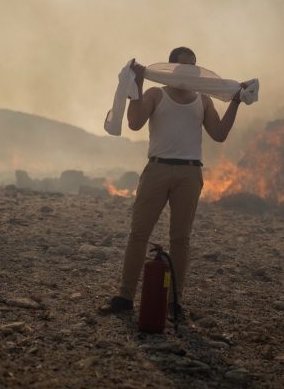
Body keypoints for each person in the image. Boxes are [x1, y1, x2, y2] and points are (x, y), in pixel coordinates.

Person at [98, 47, 245, 319]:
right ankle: (125, 297)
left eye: (192, 65)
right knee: (138, 235)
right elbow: (133, 123)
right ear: (171, 68)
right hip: (157, 169)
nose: (187, 70)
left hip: (190, 173)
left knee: (180, 240)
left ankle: (173, 303)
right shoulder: (156, 94)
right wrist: (139, 84)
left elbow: (220, 134)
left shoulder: (203, 101)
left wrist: (235, 101)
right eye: (182, 65)